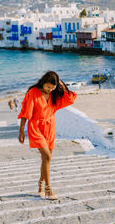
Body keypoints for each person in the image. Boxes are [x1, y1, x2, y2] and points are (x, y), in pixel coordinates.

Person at [18, 71, 77, 200]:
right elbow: (25, 112)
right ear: (43, 82)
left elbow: (70, 98)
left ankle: (40, 183)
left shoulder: (54, 95)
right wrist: (21, 131)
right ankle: (49, 188)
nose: (50, 90)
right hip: (36, 127)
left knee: (46, 159)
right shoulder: (33, 92)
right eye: (48, 87)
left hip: (50, 127)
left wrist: (62, 84)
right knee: (47, 155)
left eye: (53, 87)